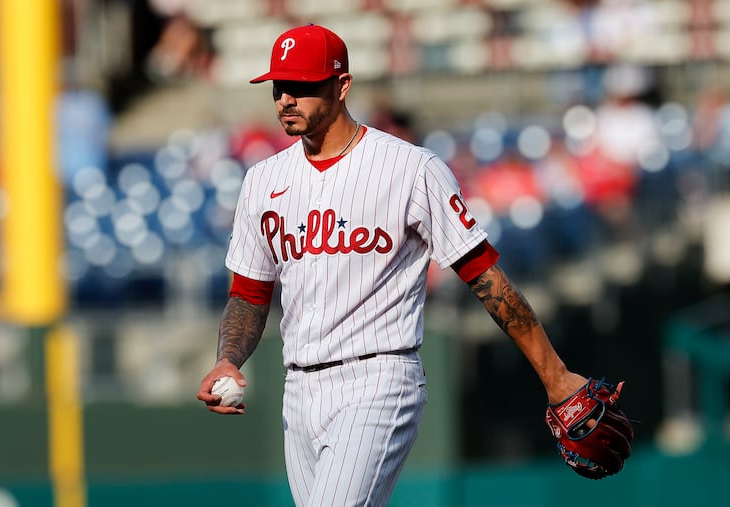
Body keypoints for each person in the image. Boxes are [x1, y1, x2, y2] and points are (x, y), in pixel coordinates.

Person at [197, 24, 589, 506]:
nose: (286, 99)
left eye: (303, 86)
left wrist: (555, 375)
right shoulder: (263, 181)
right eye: (280, 86)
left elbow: (485, 278)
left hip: (379, 378)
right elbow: (249, 293)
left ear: (342, 87)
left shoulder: (411, 168)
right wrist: (228, 358)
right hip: (297, 388)